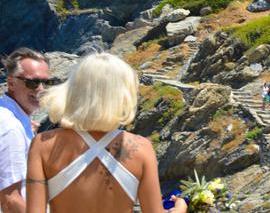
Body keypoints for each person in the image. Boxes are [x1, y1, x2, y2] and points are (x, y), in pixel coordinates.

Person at [25, 53, 187, 213]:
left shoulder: (43, 144)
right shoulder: (142, 148)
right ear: (122, 95)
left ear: (74, 91)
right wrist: (178, 209)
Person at [0, 48, 54, 213]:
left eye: (47, 82)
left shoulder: (12, 120)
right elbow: (10, 200)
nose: (41, 89)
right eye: (32, 83)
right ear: (11, 83)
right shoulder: (10, 127)